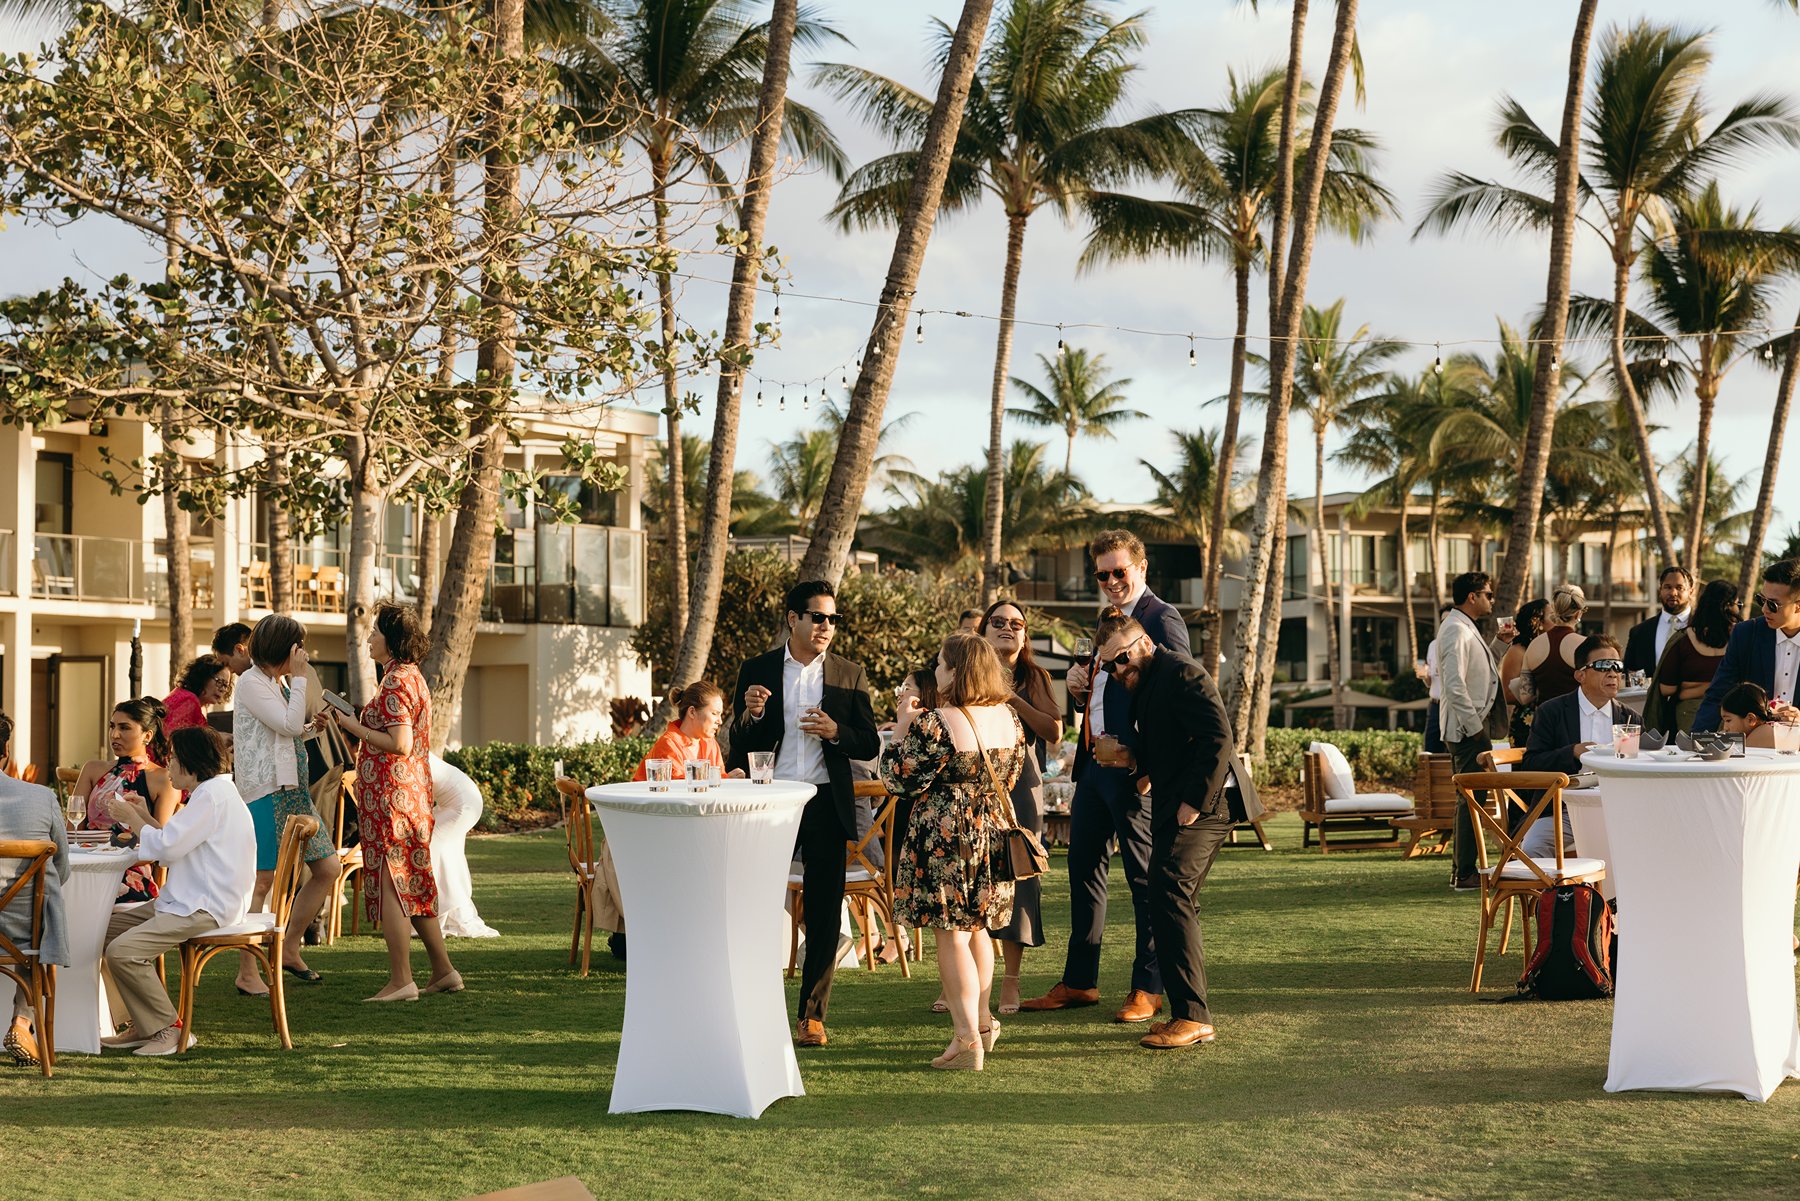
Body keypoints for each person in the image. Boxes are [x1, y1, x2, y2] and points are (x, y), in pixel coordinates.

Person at [1023, 529, 1190, 1022]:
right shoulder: (1105, 623)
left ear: (1141, 569)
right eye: (1103, 574)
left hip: (1133, 773)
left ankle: (1149, 986)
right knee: (1084, 876)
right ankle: (1079, 982)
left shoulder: (1162, 618)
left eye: (1120, 571)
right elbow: (1109, 694)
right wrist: (1079, 690)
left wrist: (1145, 763)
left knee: (1145, 880)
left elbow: (1177, 695)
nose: (1112, 580)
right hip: (1092, 771)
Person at [1086, 610, 1253, 1049]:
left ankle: (1193, 1017)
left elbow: (1218, 738)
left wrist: (1194, 804)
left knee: (1169, 894)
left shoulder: (1181, 671)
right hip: (1178, 802)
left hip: (1207, 804)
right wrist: (1133, 760)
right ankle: (1188, 1011)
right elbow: (1166, 742)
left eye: (1121, 659)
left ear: (1142, 643)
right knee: (1172, 901)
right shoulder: (1145, 683)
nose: (1117, 670)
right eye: (1108, 665)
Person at [726, 580, 880, 1048]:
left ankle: (811, 1017)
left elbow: (869, 741)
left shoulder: (848, 674)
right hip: (770, 799)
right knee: (754, 902)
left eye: (833, 619)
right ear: (793, 619)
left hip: (823, 800)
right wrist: (751, 716)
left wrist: (836, 731)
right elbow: (739, 745)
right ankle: (751, 1006)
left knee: (824, 907)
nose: (826, 627)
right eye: (818, 617)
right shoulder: (756, 670)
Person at [880, 632, 1025, 1071]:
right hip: (991, 831)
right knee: (977, 929)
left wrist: (901, 729)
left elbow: (900, 781)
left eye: (941, 664)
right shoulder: (1010, 718)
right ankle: (982, 1024)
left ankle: (965, 1040)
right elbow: (1014, 774)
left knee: (951, 936)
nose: (936, 672)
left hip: (947, 836)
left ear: (958, 671)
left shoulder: (937, 722)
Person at [327, 602, 462, 1001]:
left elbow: (400, 743)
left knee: (392, 883)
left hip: (394, 800)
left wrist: (352, 725)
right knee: (412, 884)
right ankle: (443, 971)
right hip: (408, 797)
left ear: (392, 639)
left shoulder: (397, 682)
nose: (369, 638)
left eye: (375, 632)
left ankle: (402, 980)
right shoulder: (410, 677)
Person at [98, 725, 256, 1056]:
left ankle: (168, 1029)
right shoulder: (211, 794)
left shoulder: (212, 796)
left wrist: (132, 818)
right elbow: (174, 843)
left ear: (189, 762)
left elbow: (167, 851)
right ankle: (142, 1023)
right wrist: (142, 813)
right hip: (188, 898)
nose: (167, 766)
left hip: (204, 905)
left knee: (122, 951)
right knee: (97, 932)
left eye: (171, 759)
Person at [231, 614, 339, 995]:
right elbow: (288, 725)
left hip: (290, 789)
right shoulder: (251, 682)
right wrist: (299, 679)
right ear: (285, 648)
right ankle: (247, 971)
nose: (304, 654)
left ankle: (289, 946)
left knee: (328, 867)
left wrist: (313, 728)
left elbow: (288, 730)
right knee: (262, 880)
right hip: (264, 791)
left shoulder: (273, 683)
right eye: (299, 647)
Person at [980, 599, 1062, 1015]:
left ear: (1025, 635)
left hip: (1021, 790)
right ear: (983, 629)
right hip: (972, 787)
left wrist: (1013, 699)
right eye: (999, 622)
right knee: (971, 879)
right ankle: (969, 981)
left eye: (1017, 624)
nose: (1008, 629)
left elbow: (1054, 730)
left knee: (1018, 880)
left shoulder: (1035, 676)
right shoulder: (965, 672)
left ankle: (1010, 981)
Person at [1518, 635, 1638, 858]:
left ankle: (1617, 894)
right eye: (1603, 666)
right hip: (1562, 810)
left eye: (1618, 666)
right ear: (1580, 675)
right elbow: (1531, 765)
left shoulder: (1630, 719)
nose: (1613, 673)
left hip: (1618, 811)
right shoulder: (1551, 712)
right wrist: (1572, 752)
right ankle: (1556, 895)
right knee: (1533, 847)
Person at [0, 710, 68, 1068]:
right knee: (35, 933)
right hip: (24, 931)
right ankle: (22, 1021)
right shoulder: (41, 797)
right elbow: (63, 868)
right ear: (6, 751)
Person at [69, 698, 180, 904]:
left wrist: (114, 860)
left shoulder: (163, 779)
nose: (114, 734)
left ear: (147, 735)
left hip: (129, 874)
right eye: (112, 726)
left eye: (124, 728)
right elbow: (72, 831)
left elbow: (159, 843)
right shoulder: (92, 769)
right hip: (86, 867)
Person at [1440, 571, 1510, 893]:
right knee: (1470, 800)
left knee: (1470, 799)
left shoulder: (1465, 627)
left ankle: (1462, 871)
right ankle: (1465, 873)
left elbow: (1484, 673)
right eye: (1488, 595)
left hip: (1471, 727)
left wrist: (1500, 644)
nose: (1491, 600)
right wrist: (1475, 730)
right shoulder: (1455, 629)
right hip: (1467, 729)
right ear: (1472, 597)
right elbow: (1453, 685)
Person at [1693, 559, 1800, 732]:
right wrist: (1697, 741)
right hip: (1754, 746)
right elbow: (1718, 694)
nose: (1764, 609)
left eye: (1773, 604)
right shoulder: (1746, 634)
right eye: (1761, 600)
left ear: (1798, 606)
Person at [1646, 580, 1740, 733]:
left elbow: (1666, 689)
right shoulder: (1741, 639)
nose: (1738, 609)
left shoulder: (1683, 641)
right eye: (1738, 604)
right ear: (1729, 606)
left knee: (1694, 755)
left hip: (1690, 713)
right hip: (1733, 716)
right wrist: (1721, 688)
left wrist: (1694, 688)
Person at [427, 754, 499, 939]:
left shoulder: (406, 751)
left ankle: (437, 916)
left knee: (429, 850)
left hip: (462, 804)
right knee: (447, 856)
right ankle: (452, 914)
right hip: (457, 801)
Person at [630, 681, 737, 781]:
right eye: (714, 713)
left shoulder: (710, 743)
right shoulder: (669, 744)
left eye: (720, 714)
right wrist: (724, 780)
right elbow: (679, 790)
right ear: (692, 712)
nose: (720, 721)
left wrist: (730, 780)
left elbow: (717, 782)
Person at [1521, 584, 1587, 705]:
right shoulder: (1586, 645)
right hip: (1575, 718)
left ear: (1554, 609)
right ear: (1578, 614)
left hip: (1543, 718)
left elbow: (1525, 697)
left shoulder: (1534, 645)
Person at [1625, 566, 1694, 677]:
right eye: (1667, 587)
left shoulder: (1703, 628)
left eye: (1679, 587)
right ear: (1660, 590)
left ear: (1691, 591)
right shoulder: (1639, 632)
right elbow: (1629, 672)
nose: (1673, 593)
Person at [1498, 599, 1550, 748]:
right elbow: (1507, 694)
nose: (1557, 620)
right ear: (1538, 622)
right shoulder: (1518, 651)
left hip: (1550, 719)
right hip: (1527, 723)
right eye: (1552, 616)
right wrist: (1538, 687)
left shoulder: (1549, 648)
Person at [163, 654, 234, 735]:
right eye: (219, 682)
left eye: (226, 685)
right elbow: (171, 737)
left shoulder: (197, 703)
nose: (222, 689)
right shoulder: (188, 700)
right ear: (203, 676)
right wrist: (217, 738)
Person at [1420, 606, 1452, 755]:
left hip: (1452, 706)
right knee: (1430, 750)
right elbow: (1430, 683)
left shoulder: (1460, 644)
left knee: (1450, 752)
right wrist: (1425, 676)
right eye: (1442, 621)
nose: (1445, 624)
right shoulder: (1433, 645)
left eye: (1448, 620)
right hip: (1434, 706)